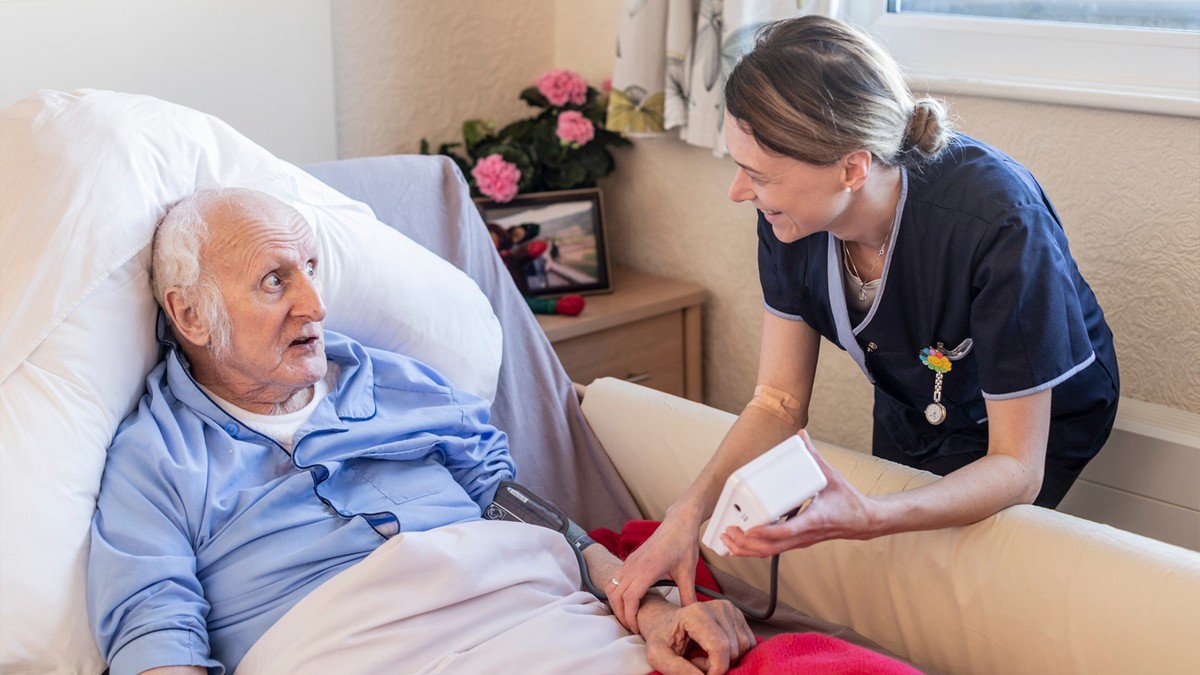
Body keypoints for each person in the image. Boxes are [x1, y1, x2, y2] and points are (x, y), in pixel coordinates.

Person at [86, 188, 754, 675]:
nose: (315, 304)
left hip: (536, 625)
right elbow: (156, 638)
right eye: (273, 280)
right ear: (190, 315)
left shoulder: (396, 381)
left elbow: (509, 500)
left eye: (311, 269)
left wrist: (654, 609)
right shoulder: (154, 459)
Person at [607, 15, 1119, 632]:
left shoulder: (997, 224)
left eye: (760, 175)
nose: (738, 192)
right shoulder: (789, 215)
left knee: (946, 582)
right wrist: (686, 514)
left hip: (1037, 419)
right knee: (895, 571)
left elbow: (1017, 466)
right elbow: (777, 401)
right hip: (918, 394)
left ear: (852, 168)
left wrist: (873, 516)